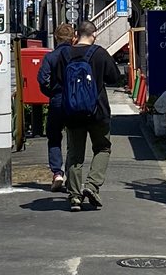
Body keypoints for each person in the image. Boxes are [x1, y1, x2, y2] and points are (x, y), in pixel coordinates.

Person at [51, 18, 124, 211]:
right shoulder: (100, 53)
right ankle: (91, 186)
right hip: (98, 111)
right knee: (102, 148)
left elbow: (57, 80)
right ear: (94, 35)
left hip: (72, 111)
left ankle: (75, 197)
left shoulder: (65, 54)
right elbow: (115, 78)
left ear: (76, 36)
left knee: (75, 153)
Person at [36, 21, 77, 188]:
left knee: (54, 136)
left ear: (57, 38)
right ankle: (72, 174)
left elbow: (41, 79)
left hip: (57, 100)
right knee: (75, 138)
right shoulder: (77, 54)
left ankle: (57, 173)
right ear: (72, 39)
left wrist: (51, 93)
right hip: (75, 101)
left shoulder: (51, 57)